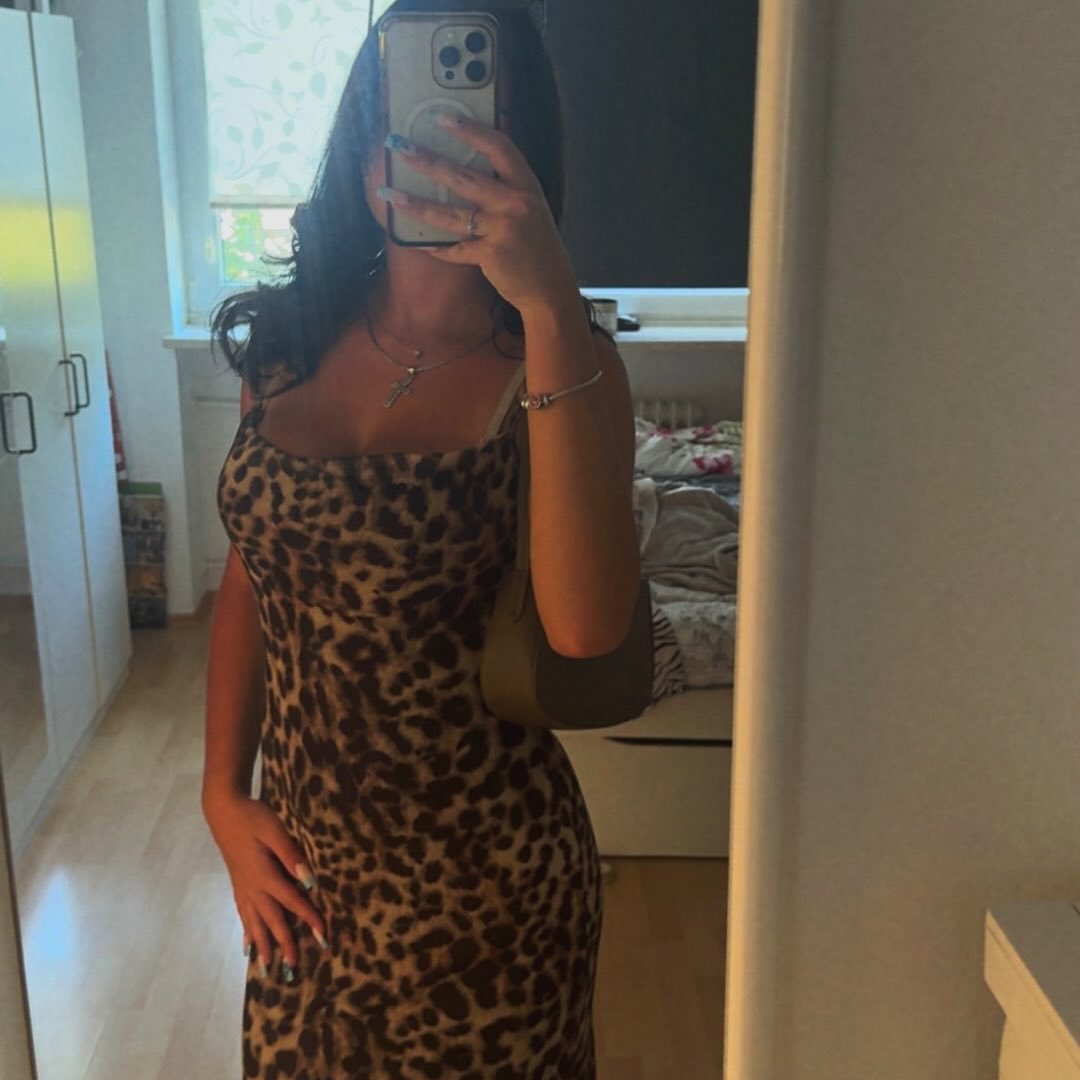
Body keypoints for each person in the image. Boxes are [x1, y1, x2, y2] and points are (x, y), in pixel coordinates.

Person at [201, 4, 640, 1076]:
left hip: (487, 906)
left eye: (472, 126)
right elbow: (253, 576)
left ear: (522, 156)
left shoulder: (567, 361)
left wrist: (549, 307)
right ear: (364, 143)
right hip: (304, 887)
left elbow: (586, 633)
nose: (434, 155)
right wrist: (221, 794)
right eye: (403, 118)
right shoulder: (288, 341)